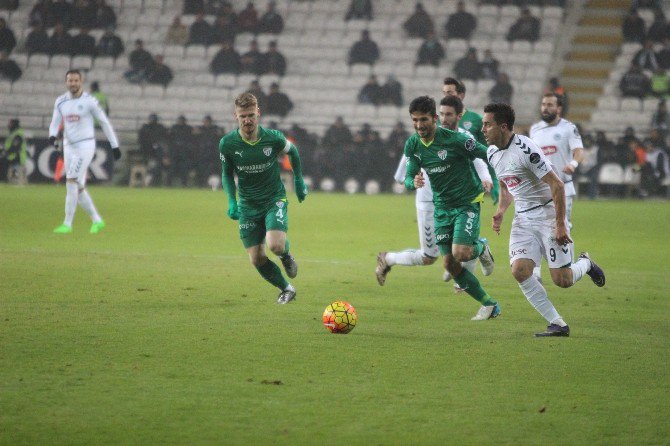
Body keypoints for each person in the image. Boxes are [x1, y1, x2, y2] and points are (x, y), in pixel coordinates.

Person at [483, 102, 606, 337]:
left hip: (547, 215)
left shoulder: (526, 149)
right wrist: (500, 211)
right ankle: (558, 323)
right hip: (523, 218)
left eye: (487, 124)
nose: (483, 129)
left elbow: (557, 184)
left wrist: (560, 224)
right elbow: (506, 187)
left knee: (562, 279)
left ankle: (586, 263)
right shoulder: (491, 153)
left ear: (503, 126)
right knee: (519, 270)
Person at [377, 96, 498, 320]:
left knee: (461, 252)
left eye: (423, 119)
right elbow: (408, 176)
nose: (419, 125)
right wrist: (413, 182)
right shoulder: (413, 143)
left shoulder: (457, 139)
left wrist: (503, 177)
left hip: (466, 201)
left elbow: (486, 154)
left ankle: (480, 248)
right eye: (414, 120)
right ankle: (489, 305)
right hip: (441, 207)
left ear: (434, 118)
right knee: (449, 264)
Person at [219, 92, 308, 304]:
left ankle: (286, 256)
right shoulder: (227, 144)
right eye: (243, 116)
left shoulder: (273, 138)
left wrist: (299, 181)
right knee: (256, 258)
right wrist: (232, 201)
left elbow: (293, 152)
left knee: (275, 245)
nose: (247, 120)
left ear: (258, 113)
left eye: (251, 115)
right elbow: (226, 174)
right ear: (236, 116)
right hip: (248, 204)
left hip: (273, 198)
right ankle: (287, 289)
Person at [49, 69, 121, 234]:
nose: (73, 83)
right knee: (78, 185)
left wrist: (114, 145)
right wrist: (52, 136)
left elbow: (104, 122)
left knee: (71, 180)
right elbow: (55, 122)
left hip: (85, 146)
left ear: (81, 82)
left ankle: (67, 224)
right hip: (68, 146)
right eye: (70, 80)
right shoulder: (60, 101)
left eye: (76, 80)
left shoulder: (90, 101)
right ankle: (97, 220)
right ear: (66, 82)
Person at [529, 93, 584, 282]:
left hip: (563, 187)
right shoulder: (535, 129)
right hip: (539, 189)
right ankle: (535, 271)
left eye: (550, 105)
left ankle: (570, 265)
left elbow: (578, 151)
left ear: (558, 108)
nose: (545, 108)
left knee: (562, 227)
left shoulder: (569, 128)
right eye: (543, 104)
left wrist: (573, 165)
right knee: (534, 226)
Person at [4, 118, 27, 185]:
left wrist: (6, 152)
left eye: (10, 123)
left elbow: (16, 146)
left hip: (17, 158)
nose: (9, 125)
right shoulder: (13, 133)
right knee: (12, 177)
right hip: (13, 158)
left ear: (14, 125)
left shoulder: (18, 134)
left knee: (18, 179)